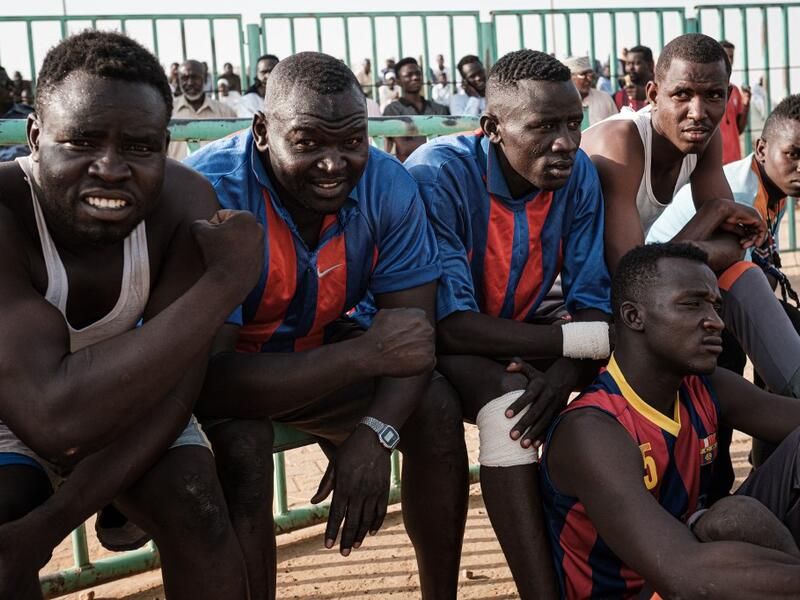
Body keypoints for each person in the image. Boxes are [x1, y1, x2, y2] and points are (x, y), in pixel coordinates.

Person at [185, 51, 469, 600]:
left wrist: (374, 433)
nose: (334, 163)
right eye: (309, 142)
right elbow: (210, 379)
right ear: (264, 132)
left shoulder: (388, 185)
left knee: (434, 407)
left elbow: (411, 342)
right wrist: (360, 358)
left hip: (317, 357)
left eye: (352, 142)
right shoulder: (212, 190)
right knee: (241, 446)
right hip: (221, 380)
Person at [0, 30, 265, 600]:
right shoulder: (4, 212)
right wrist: (222, 285)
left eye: (140, 147)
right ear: (35, 135)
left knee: (197, 503)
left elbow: (175, 392)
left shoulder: (185, 205)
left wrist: (49, 526)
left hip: (136, 399)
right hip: (11, 412)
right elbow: (50, 419)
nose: (111, 168)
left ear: (164, 145)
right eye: (81, 142)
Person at [404, 49, 612, 599]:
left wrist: (564, 376)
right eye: (544, 127)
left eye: (574, 122)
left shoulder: (578, 173)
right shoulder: (439, 173)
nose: (566, 141)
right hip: (419, 340)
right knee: (508, 404)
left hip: (516, 329)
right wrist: (577, 345)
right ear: (492, 128)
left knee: (644, 360)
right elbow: (449, 324)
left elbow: (594, 301)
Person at [582, 32, 800, 498]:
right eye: (682, 95)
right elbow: (629, 280)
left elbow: (733, 247)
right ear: (653, 95)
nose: (698, 111)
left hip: (643, 293)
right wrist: (712, 215)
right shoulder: (622, 141)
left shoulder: (700, 141)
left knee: (743, 276)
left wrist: (716, 223)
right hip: (577, 300)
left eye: (713, 95)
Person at [540, 242, 800, 599]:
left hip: (696, 563)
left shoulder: (706, 387)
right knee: (732, 519)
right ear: (634, 317)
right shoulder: (593, 430)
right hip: (662, 584)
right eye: (692, 304)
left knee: (735, 516)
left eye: (715, 306)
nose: (716, 321)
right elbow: (684, 574)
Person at [648, 94, 800, 464]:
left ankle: (770, 455)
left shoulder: (769, 190)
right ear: (762, 149)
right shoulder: (741, 190)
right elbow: (742, 283)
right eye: (793, 153)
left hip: (712, 288)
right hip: (670, 293)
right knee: (746, 349)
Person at [168, 59, 237, 161]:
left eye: (195, 77)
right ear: (178, 81)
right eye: (185, 78)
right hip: (175, 176)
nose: (190, 82)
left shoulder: (225, 112)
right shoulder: (168, 111)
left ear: (204, 79)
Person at [383, 57, 449, 162]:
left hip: (439, 167)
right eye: (408, 75)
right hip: (408, 170)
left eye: (418, 73)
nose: (415, 77)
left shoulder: (439, 109)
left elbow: (448, 144)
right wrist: (438, 141)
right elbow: (404, 148)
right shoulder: (392, 110)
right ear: (398, 81)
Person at [719, 40, 752, 164]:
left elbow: (740, 129)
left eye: (731, 56)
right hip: (714, 161)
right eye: (725, 55)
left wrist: (746, 104)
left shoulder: (735, 91)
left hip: (734, 160)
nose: (729, 60)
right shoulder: (706, 89)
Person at [563, 55, 617, 126]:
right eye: (583, 75)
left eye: (590, 74)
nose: (589, 79)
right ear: (570, 77)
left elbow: (616, 127)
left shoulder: (605, 99)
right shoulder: (560, 103)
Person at [236, 54, 279, 118]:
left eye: (273, 71)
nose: (268, 75)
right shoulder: (247, 100)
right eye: (263, 72)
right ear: (257, 74)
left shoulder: (291, 95)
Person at [613, 45, 653, 111]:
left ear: (650, 65)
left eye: (636, 63)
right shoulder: (619, 96)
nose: (631, 68)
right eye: (628, 63)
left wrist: (647, 95)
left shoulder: (662, 88)